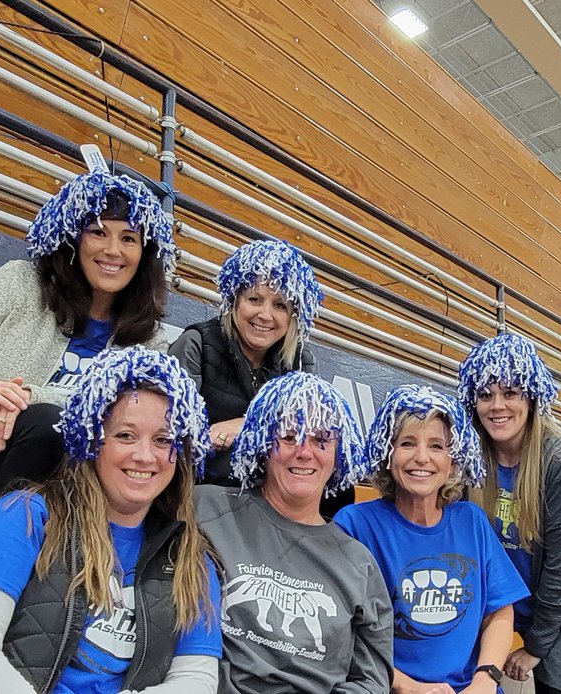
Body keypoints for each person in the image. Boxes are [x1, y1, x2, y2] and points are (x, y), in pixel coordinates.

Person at [0, 346, 221, 694]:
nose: (145, 456)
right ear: (90, 439)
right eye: (125, 435)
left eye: (164, 439)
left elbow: (196, 679)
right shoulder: (24, 517)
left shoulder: (190, 557)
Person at [0, 172, 174, 537]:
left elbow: (122, 417)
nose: (113, 250)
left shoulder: (150, 340)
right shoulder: (20, 283)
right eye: (98, 232)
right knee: (46, 425)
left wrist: (26, 398)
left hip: (69, 498)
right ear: (72, 237)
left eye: (129, 239)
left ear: (144, 254)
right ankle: (1, 547)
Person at [194, 371, 392, 693]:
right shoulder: (204, 509)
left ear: (337, 454)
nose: (304, 451)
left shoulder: (360, 565)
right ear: (264, 443)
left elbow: (371, 682)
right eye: (288, 436)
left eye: (320, 440)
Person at [334, 384, 528, 693]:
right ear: (388, 452)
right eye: (408, 443)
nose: (422, 457)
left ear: (453, 460)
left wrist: (485, 679)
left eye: (437, 446)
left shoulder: (472, 521)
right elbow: (340, 632)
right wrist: (406, 686)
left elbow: (499, 612)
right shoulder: (356, 525)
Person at [458, 332, 561, 694]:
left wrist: (536, 645)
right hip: (495, 612)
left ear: (531, 397)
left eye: (510, 393)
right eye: (485, 395)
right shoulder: (468, 458)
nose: (497, 406)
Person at [169, 240, 351, 517]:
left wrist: (246, 424)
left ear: (293, 315)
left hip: (274, 481)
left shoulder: (300, 361)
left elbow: (308, 432)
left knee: (340, 487)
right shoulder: (196, 344)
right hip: (206, 483)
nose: (265, 315)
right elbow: (172, 437)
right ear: (235, 300)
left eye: (280, 305)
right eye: (254, 299)